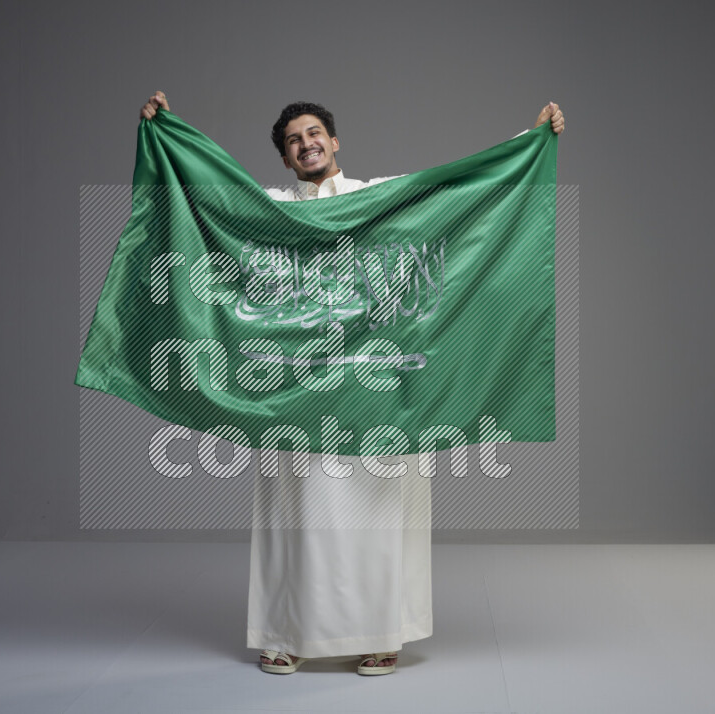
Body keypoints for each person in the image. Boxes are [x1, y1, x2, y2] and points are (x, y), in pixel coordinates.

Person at [139, 92, 565, 675]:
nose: (306, 143)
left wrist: (529, 141)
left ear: (334, 141)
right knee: (295, 516)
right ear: (286, 159)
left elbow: (461, 191)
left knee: (383, 516)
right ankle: (285, 634)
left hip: (379, 392)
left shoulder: (379, 199)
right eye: (293, 140)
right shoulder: (268, 211)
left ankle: (381, 633)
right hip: (292, 389)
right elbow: (204, 203)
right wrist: (167, 133)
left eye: (314, 133)